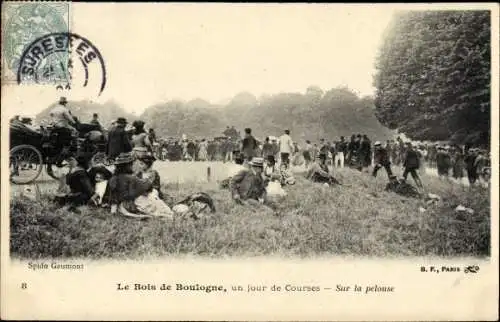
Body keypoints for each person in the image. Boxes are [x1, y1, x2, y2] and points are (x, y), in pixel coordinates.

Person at [107, 152, 159, 218]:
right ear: (127, 166)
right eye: (131, 164)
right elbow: (140, 189)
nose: (133, 166)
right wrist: (148, 182)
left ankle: (115, 210)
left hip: (116, 204)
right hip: (128, 204)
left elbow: (112, 194)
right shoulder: (131, 178)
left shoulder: (113, 178)